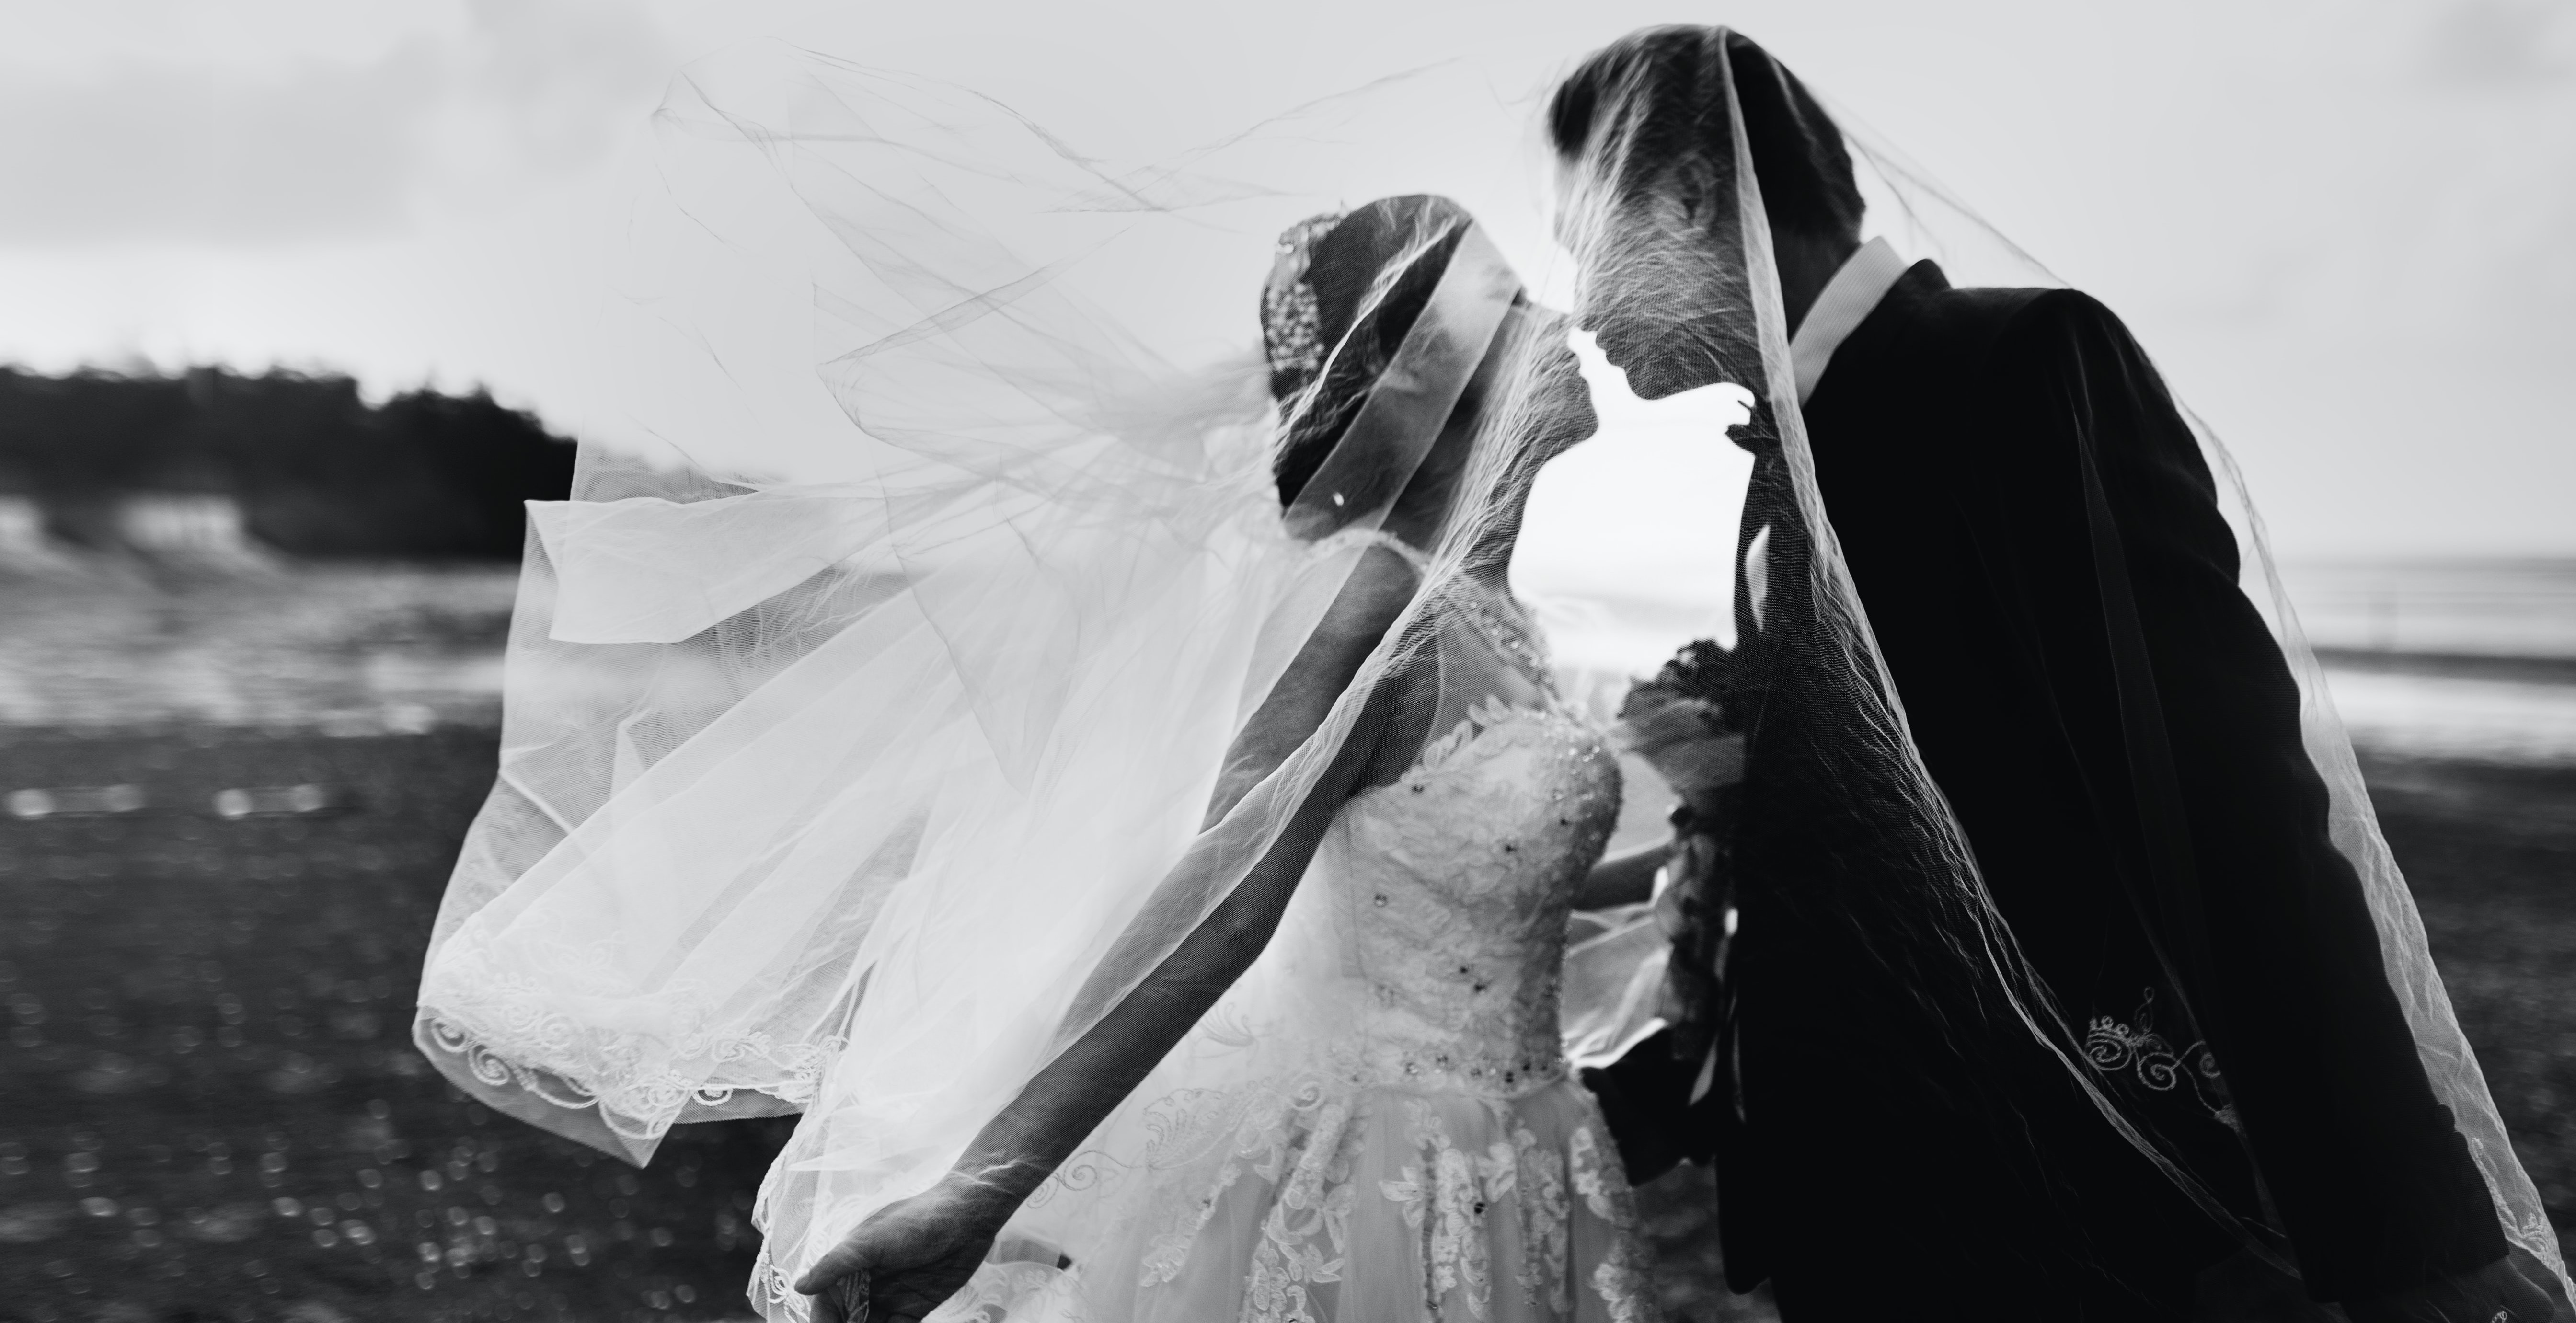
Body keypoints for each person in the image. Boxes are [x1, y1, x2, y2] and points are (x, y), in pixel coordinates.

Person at [416, 184, 1694, 1320]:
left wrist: (1692, 848)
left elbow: (1453, 892)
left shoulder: (1496, 615)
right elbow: (1223, 896)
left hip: (1527, 1146)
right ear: (1415, 374)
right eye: (1510, 302)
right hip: (1385, 1180)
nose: (1558, 323)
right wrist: (986, 1183)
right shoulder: (1370, 601)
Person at [1549, 25, 2576, 1323]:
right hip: (1871, 1221)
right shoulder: (1785, 465)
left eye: (1583, 243)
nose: (1581, 307)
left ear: (1692, 197)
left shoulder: (2019, 369)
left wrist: (2405, 1230)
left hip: (2061, 1228)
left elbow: (2234, 807)